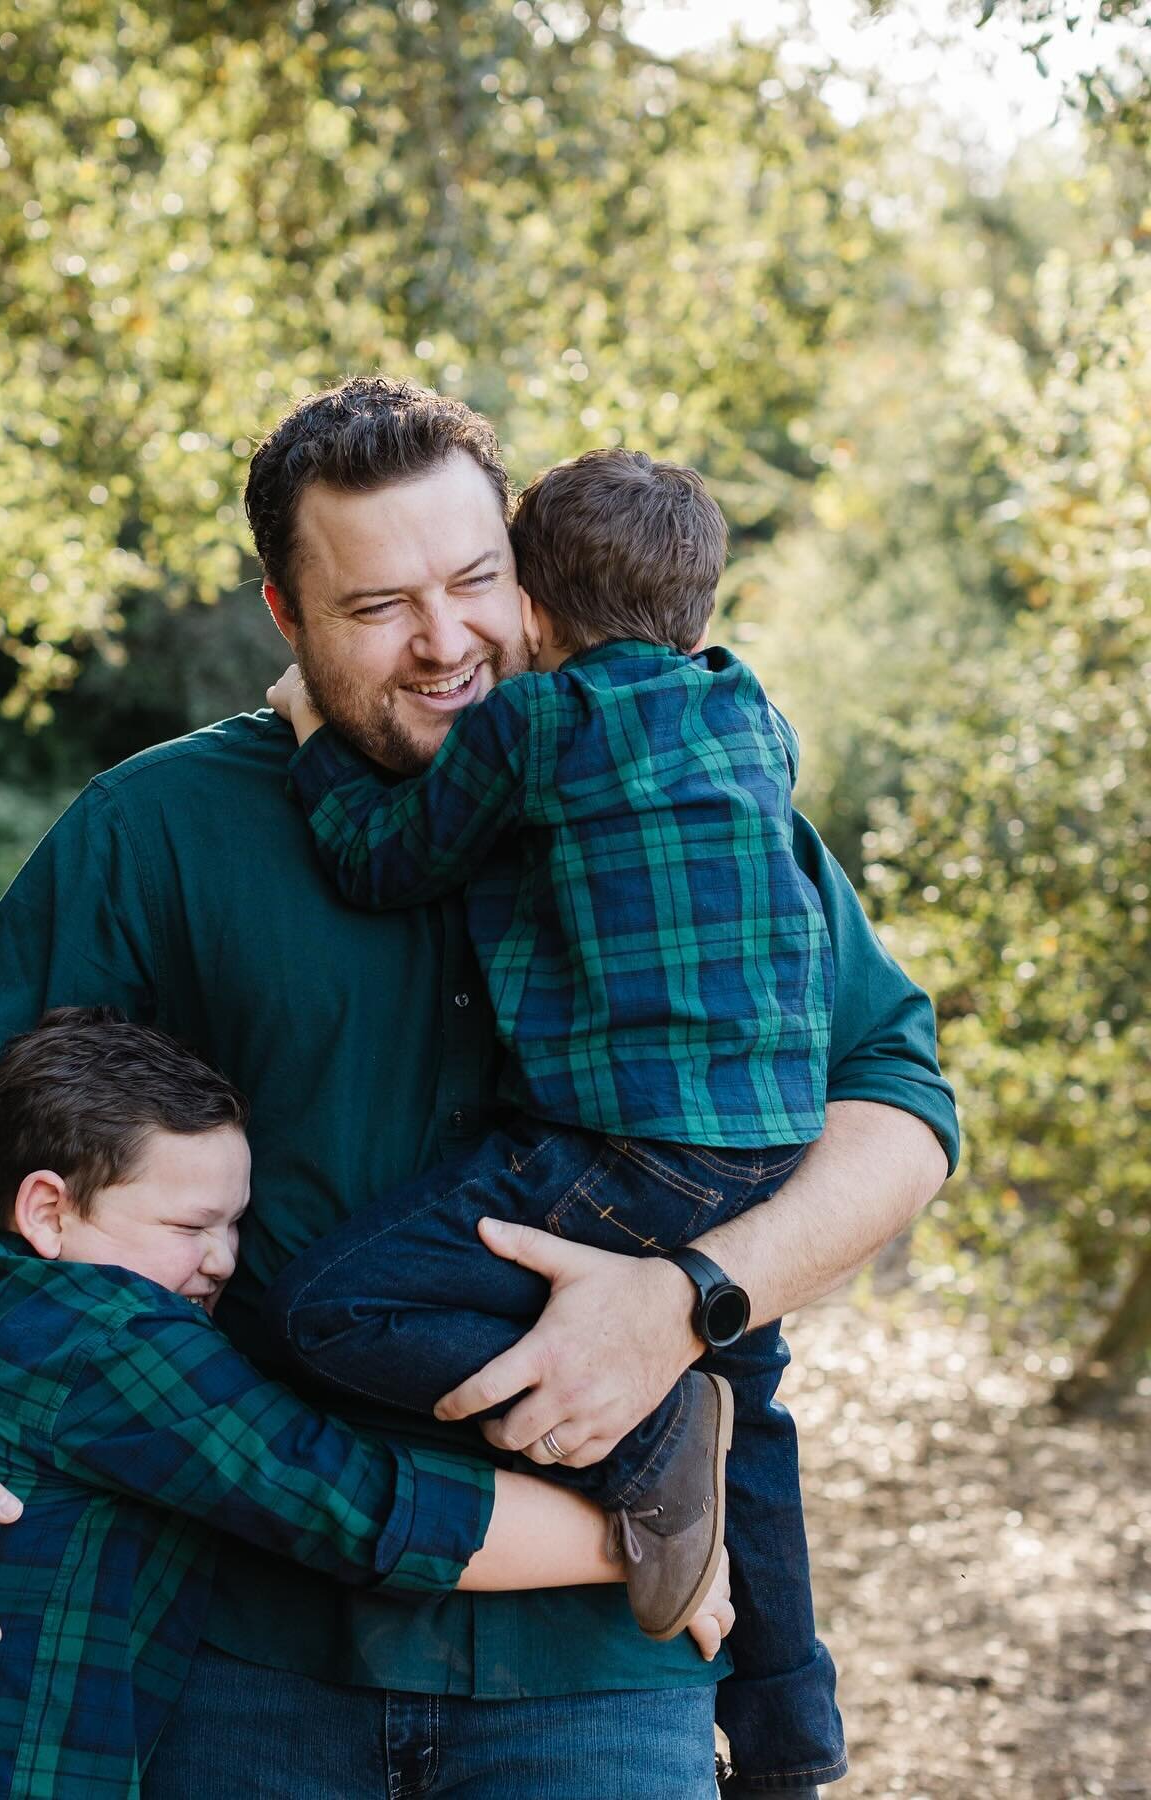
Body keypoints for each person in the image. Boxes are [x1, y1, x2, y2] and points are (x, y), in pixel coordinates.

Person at [0, 377, 956, 1800]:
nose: (447, 641)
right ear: (286, 616)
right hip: (236, 1647)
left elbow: (899, 1103)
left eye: (476, 581)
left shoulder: (684, 794)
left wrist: (689, 1299)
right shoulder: (159, 827)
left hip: (599, 1663)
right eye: (377, 608)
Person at [0, 1008, 673, 1799]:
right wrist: (641, 1545)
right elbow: (347, 1502)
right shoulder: (108, 1335)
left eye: (235, 1225)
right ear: (48, 1211)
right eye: (189, 1227)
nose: (222, 1260)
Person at [261, 446, 831, 1672]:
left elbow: (380, 861)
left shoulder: (536, 719)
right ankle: (789, 1745)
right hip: (773, 1147)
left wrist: (311, 730)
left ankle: (647, 1429)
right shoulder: (751, 717)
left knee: (333, 1308)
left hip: (632, 1143)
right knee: (759, 1421)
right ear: (704, 603)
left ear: (529, 606)